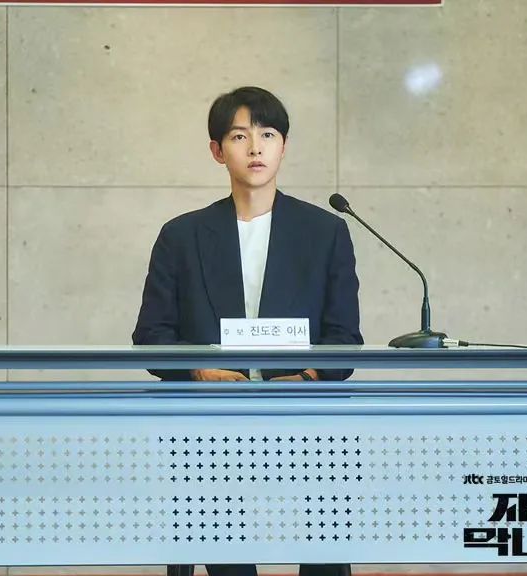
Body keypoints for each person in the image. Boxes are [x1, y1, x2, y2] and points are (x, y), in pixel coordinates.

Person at [132, 86, 362, 576]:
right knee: (224, 550)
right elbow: (151, 336)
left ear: (284, 146)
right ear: (217, 151)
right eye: (239, 136)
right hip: (212, 419)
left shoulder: (325, 231)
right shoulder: (181, 235)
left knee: (325, 544)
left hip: (304, 417)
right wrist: (198, 371)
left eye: (267, 134)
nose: (255, 147)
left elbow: (344, 339)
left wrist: (309, 377)